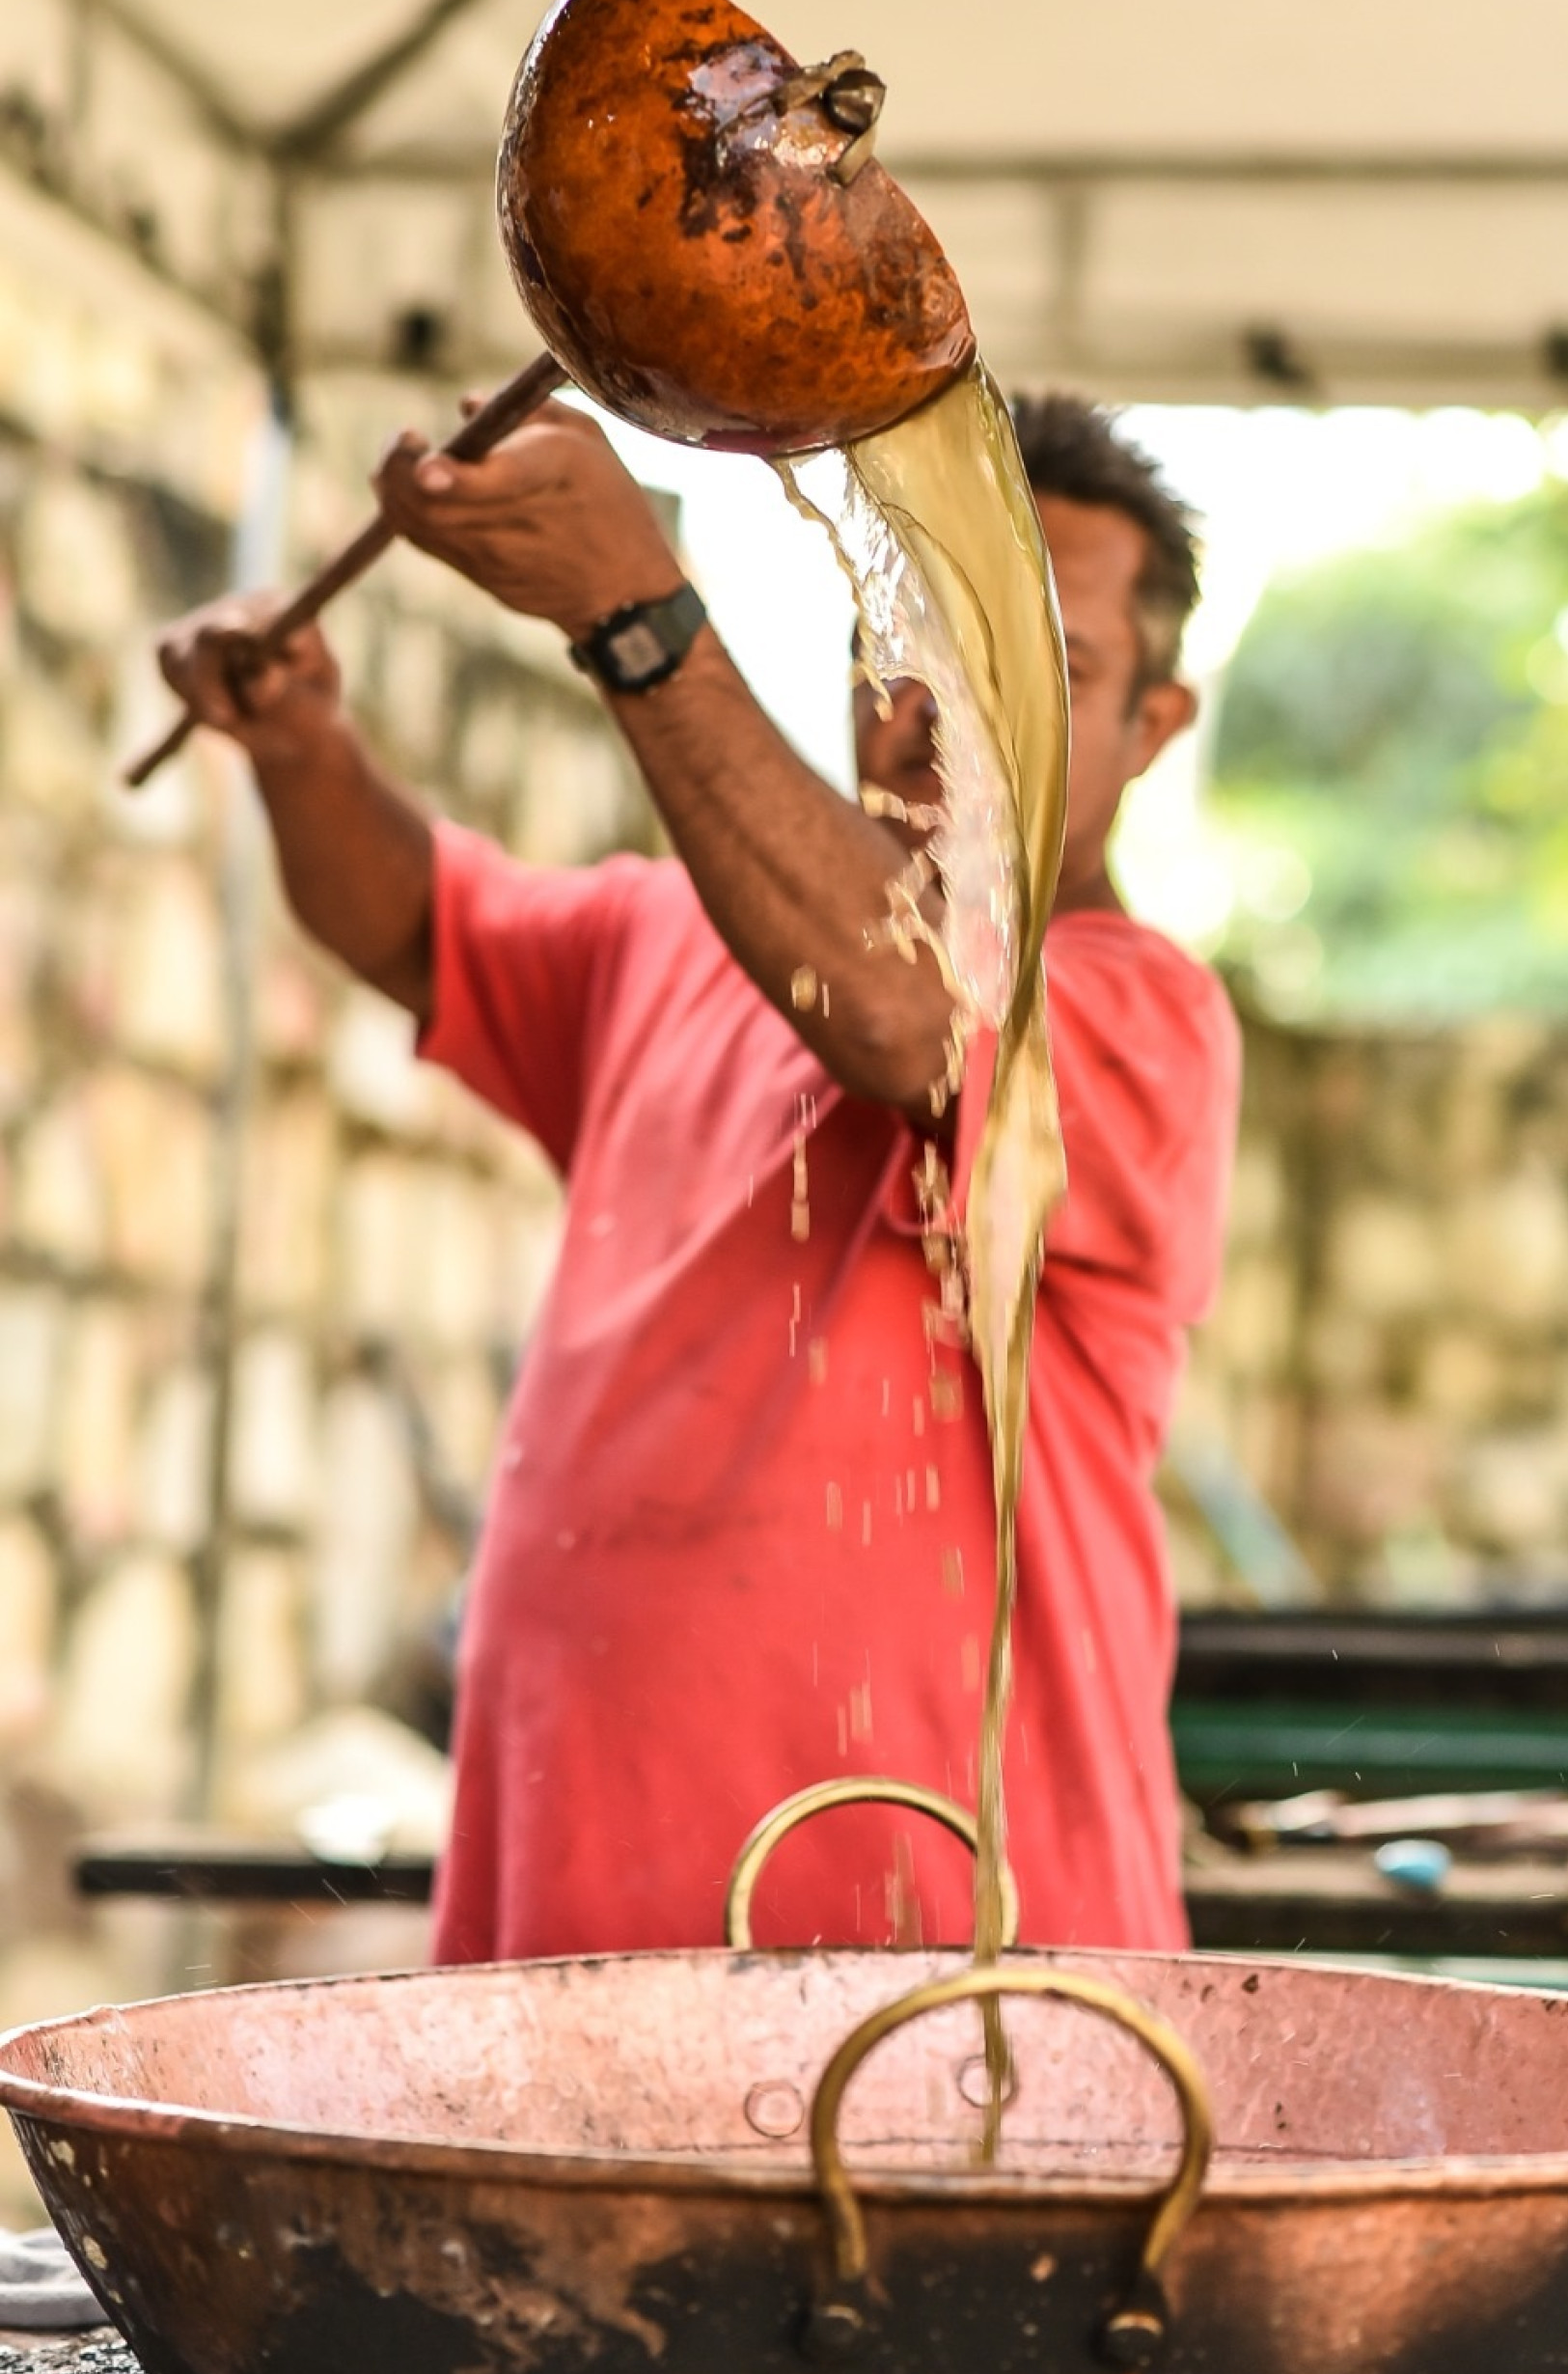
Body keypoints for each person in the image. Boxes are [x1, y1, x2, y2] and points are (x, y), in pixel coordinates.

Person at [155, 391, 1239, 1961]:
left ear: (1154, 725)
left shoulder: (1140, 1017)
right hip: (569, 1974)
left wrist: (640, 617)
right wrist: (303, 743)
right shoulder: (672, 937)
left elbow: (901, 1004)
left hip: (969, 2008)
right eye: (907, 640)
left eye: (1042, 666)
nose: (947, 705)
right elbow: (413, 921)